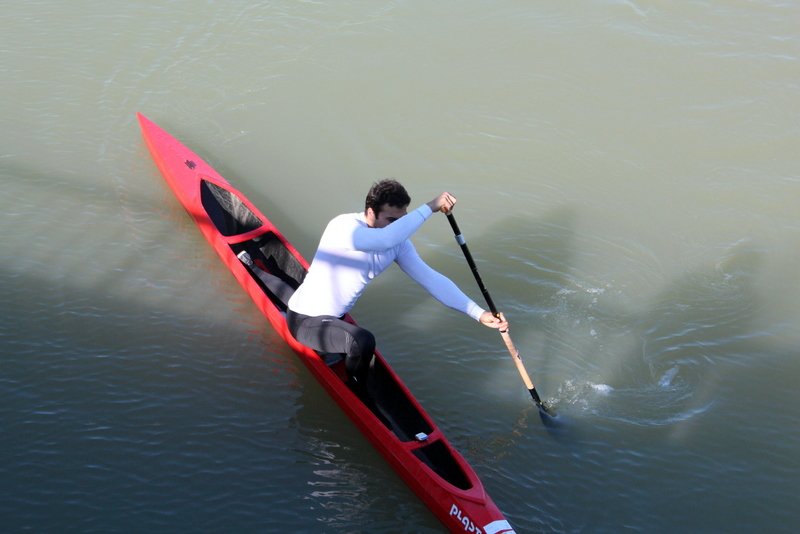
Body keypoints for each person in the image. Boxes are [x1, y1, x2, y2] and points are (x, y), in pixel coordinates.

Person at [286, 179, 508, 391]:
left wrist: (478, 313)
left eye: (402, 220)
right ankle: (357, 390)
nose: (399, 227)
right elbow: (385, 240)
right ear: (371, 212)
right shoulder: (344, 228)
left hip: (337, 318)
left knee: (362, 342)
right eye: (392, 220)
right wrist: (431, 206)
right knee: (363, 341)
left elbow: (431, 279)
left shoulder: (398, 244)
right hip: (304, 321)